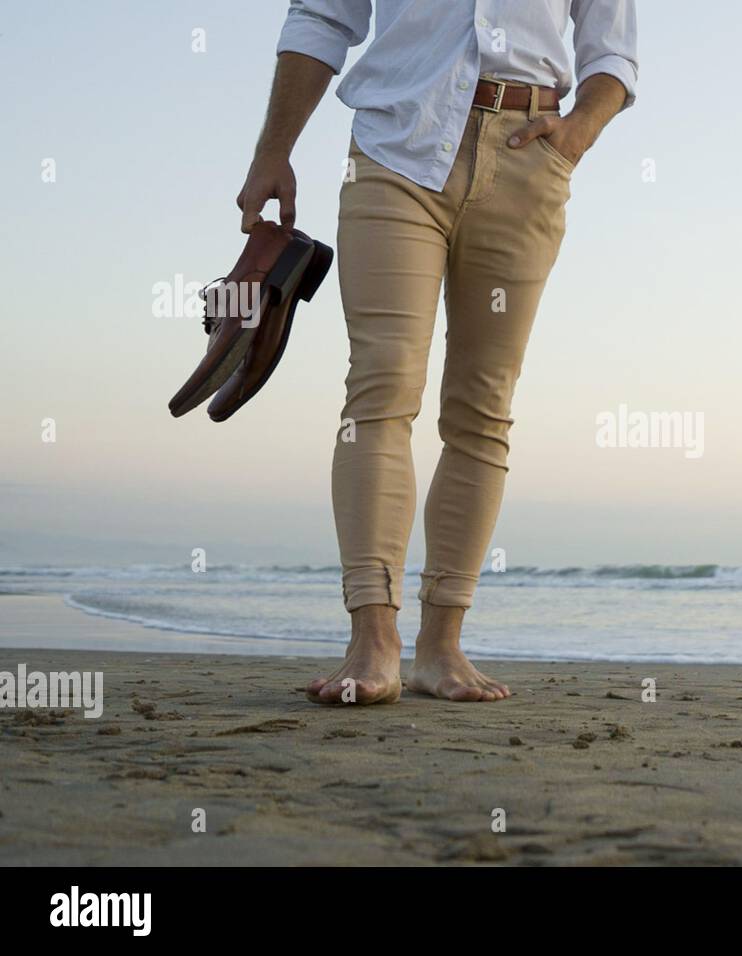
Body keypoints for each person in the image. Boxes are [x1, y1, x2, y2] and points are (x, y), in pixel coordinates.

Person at [236, 1, 637, 704]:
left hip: (530, 156)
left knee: (483, 404)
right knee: (382, 382)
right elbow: (323, 17)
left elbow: (613, 54)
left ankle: (442, 645)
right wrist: (273, 151)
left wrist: (578, 132)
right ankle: (373, 639)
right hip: (396, 148)